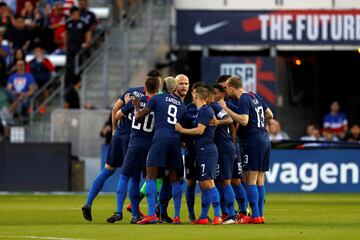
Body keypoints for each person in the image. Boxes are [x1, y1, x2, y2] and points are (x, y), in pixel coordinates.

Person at [81, 82, 145, 222]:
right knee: (133, 176)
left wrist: (115, 131)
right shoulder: (150, 97)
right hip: (132, 139)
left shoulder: (131, 91)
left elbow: (115, 109)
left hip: (119, 135)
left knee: (107, 170)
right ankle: (134, 214)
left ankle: (88, 202)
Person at [219, 76, 273, 224]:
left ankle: (255, 215)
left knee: (250, 179)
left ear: (230, 87)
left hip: (252, 141)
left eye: (227, 89)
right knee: (260, 179)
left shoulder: (243, 98)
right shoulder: (253, 95)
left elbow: (244, 120)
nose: (227, 92)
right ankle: (260, 215)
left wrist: (225, 108)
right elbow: (270, 114)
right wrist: (262, 123)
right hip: (264, 139)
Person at [106, 76, 159, 224]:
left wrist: (130, 105)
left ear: (145, 87)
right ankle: (150, 214)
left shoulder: (135, 100)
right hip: (150, 148)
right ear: (158, 87)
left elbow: (117, 114)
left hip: (134, 145)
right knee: (150, 179)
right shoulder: (159, 102)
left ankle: (118, 211)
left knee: (124, 177)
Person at [135, 77, 186, 224]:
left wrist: (137, 106)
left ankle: (151, 215)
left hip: (160, 138)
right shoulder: (181, 105)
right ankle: (177, 217)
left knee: (151, 176)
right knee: (174, 180)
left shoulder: (157, 99)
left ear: (162, 86)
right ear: (174, 88)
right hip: (175, 141)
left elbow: (139, 117)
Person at [175, 87, 223, 225]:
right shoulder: (201, 112)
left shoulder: (205, 110)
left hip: (207, 150)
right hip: (202, 150)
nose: (192, 95)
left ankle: (217, 216)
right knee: (203, 183)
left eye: (194, 93)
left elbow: (200, 130)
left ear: (197, 96)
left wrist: (181, 130)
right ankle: (203, 217)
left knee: (209, 182)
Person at [204, 85, 237, 224]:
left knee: (226, 181)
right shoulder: (208, 108)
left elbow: (229, 120)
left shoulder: (214, 106)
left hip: (224, 148)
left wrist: (218, 122)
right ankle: (226, 214)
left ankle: (232, 216)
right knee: (220, 180)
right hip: (221, 147)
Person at [64, 6, 91, 86]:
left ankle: (78, 81)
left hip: (79, 46)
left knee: (78, 64)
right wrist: (65, 45)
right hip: (70, 46)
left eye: (77, 13)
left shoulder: (83, 22)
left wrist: (87, 42)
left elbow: (88, 32)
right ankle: (69, 83)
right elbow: (65, 34)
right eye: (74, 13)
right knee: (69, 65)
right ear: (72, 14)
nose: (76, 15)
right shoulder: (68, 22)